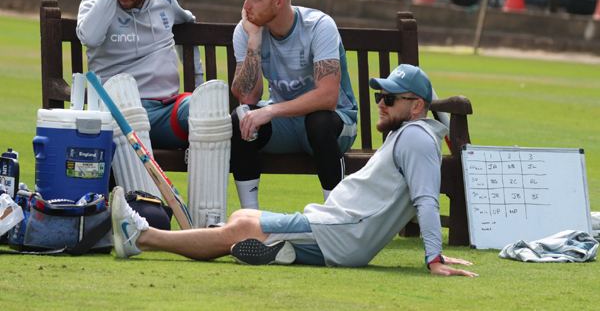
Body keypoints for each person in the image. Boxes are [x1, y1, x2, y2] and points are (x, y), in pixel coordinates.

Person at [111, 64, 478, 276]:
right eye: (380, 96)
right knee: (243, 215)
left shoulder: (415, 139)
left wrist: (434, 258)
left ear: (417, 108)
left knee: (241, 227)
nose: (380, 104)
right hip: (334, 225)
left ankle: (140, 238)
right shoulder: (411, 134)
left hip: (339, 232)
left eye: (390, 99)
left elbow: (427, 201)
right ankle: (285, 249)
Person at [229, 0, 358, 208]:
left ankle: (335, 216)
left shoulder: (320, 26)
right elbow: (248, 97)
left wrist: (271, 110)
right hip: (286, 126)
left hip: (334, 124)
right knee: (242, 117)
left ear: (279, 2)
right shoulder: (246, 30)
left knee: (318, 120)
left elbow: (328, 98)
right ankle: (251, 218)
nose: (245, 6)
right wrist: (254, 40)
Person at [76, 0, 204, 150]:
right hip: (117, 115)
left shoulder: (165, 1)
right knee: (128, 129)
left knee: (206, 108)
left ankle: (210, 185)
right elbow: (89, 38)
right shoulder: (92, 6)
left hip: (165, 110)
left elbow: (188, 23)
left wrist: (198, 87)